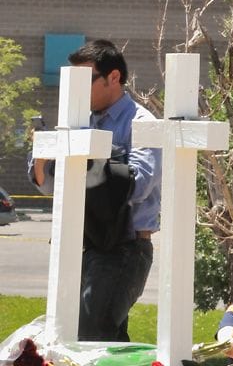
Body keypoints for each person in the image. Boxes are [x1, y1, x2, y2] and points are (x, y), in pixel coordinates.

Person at [28, 39, 161, 342]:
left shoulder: (141, 123)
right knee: (83, 335)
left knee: (92, 333)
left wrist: (89, 153)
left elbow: (138, 184)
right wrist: (42, 159)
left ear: (113, 77)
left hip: (122, 248)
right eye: (70, 83)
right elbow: (47, 184)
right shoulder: (76, 120)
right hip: (78, 244)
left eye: (84, 81)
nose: (75, 92)